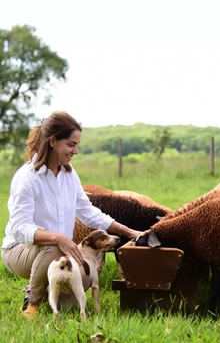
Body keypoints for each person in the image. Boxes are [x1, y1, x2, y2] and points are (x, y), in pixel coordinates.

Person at [1, 112, 142, 319]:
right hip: (19, 251)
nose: (75, 151)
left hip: (54, 250)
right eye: (70, 144)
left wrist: (128, 231)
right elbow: (19, 229)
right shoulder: (27, 178)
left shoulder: (69, 174)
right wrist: (58, 237)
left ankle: (49, 287)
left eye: (77, 145)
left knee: (76, 292)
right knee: (57, 244)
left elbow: (87, 211)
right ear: (52, 141)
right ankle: (31, 302)